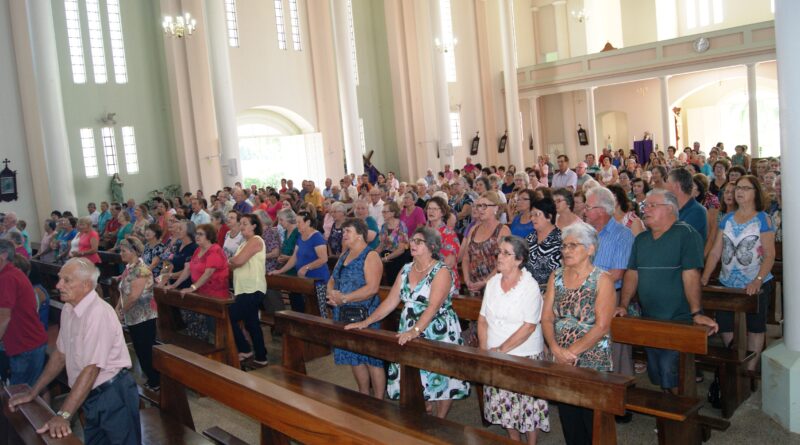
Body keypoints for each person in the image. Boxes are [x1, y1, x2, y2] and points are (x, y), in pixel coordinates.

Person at [10, 258, 139, 443]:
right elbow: (60, 355)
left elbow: (91, 369)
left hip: (113, 395)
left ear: (86, 285)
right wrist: (33, 391)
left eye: (66, 280)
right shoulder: (69, 309)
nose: (58, 284)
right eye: (60, 278)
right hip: (89, 393)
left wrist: (63, 415)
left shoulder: (98, 313)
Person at [346, 227, 470, 418]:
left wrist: (415, 331)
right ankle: (425, 410)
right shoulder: (405, 269)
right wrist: (366, 321)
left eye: (418, 242)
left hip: (438, 329)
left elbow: (433, 307)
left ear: (431, 246)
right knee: (417, 375)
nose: (412, 244)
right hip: (410, 327)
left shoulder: (441, 271)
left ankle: (441, 419)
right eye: (412, 241)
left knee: (442, 377)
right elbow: (390, 301)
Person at [619, 189, 717, 393]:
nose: (645, 209)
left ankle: (682, 421)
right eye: (644, 205)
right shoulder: (642, 239)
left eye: (652, 205)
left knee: (670, 370)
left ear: (670, 209)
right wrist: (623, 305)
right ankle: (667, 419)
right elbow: (632, 274)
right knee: (657, 372)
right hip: (650, 319)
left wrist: (696, 313)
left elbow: (691, 275)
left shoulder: (686, 234)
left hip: (677, 319)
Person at [541, 223, 614, 445]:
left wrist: (570, 353)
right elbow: (546, 318)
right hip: (561, 355)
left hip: (591, 357)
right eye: (564, 245)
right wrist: (555, 349)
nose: (566, 250)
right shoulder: (557, 276)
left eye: (573, 245)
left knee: (592, 419)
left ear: (591, 249)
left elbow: (602, 326)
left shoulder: (602, 279)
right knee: (569, 417)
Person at [479, 236, 549, 443]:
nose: (499, 256)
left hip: (523, 352)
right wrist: (484, 349)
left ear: (519, 260)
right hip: (493, 350)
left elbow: (528, 326)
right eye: (499, 252)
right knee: (503, 401)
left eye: (505, 253)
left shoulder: (530, 286)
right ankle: (513, 439)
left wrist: (501, 349)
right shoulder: (492, 283)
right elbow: (482, 319)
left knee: (527, 403)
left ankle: (531, 442)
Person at [702, 175, 775, 372]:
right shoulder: (726, 219)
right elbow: (716, 251)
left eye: (745, 188)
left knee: (755, 326)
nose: (739, 192)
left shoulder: (762, 218)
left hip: (755, 282)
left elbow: (769, 255)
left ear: (755, 193)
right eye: (737, 188)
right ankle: (734, 357)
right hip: (728, 281)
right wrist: (705, 276)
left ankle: (749, 369)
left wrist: (758, 280)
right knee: (724, 324)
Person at [326, 218, 386, 398]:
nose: (344, 234)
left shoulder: (370, 255)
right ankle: (363, 394)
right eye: (343, 231)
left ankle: (378, 399)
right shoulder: (345, 255)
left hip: (365, 312)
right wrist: (332, 295)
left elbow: (372, 288)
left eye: (348, 231)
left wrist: (345, 298)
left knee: (371, 358)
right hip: (343, 311)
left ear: (360, 235)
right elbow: (332, 279)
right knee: (354, 355)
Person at [166, 223, 230, 340]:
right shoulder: (198, 249)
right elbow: (188, 269)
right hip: (201, 293)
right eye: (196, 234)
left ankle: (220, 351)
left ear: (209, 236)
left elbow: (208, 273)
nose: (197, 236)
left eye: (201, 234)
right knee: (199, 326)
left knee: (213, 329)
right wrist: (175, 285)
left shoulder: (215, 250)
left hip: (214, 296)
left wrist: (192, 287)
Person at [0, 240, 48, 387]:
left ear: (3, 255)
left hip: (25, 344)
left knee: (20, 394)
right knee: (30, 391)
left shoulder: (7, 277)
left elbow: (4, 317)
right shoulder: (9, 274)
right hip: (25, 342)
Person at [115, 237, 160, 391]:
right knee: (139, 349)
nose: (121, 253)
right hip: (133, 316)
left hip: (144, 316)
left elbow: (134, 296)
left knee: (146, 349)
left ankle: (156, 381)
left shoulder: (141, 269)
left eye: (124, 251)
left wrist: (120, 311)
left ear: (133, 251)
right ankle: (151, 378)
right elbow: (123, 292)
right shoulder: (129, 268)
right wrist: (117, 308)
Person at [271, 211, 330, 317]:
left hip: (317, 280)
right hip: (304, 280)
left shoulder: (317, 237)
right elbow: (294, 257)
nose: (296, 225)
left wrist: (306, 267)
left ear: (307, 222)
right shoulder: (301, 236)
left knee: (319, 310)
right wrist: (280, 271)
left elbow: (323, 259)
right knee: (307, 310)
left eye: (299, 222)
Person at [228, 214, 268, 366]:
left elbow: (237, 261)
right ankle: (261, 356)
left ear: (254, 226)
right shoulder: (243, 244)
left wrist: (232, 260)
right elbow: (232, 264)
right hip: (243, 289)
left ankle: (244, 348)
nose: (242, 225)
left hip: (253, 288)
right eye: (241, 223)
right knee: (252, 324)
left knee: (229, 316)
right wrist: (233, 261)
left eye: (245, 223)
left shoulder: (256, 240)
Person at [462, 192, 510, 296]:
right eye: (479, 206)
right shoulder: (473, 229)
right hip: (473, 286)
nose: (480, 209)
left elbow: (504, 262)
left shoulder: (503, 230)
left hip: (495, 287)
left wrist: (485, 282)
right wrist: (467, 280)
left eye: (485, 206)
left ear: (495, 208)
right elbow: (466, 258)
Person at [525, 197, 562, 290]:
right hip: (526, 289)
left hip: (550, 292)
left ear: (549, 217)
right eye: (531, 215)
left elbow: (563, 274)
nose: (532, 218)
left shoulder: (561, 240)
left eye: (536, 214)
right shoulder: (529, 238)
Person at [425, 196, 461, 290]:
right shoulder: (423, 232)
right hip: (424, 279)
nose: (431, 211)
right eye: (429, 208)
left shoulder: (449, 233)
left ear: (442, 212)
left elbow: (449, 263)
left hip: (443, 280)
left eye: (435, 209)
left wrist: (429, 275)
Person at [667, 168, 708, 243]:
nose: (665, 187)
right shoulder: (673, 208)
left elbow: (675, 240)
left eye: (668, 183)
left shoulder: (697, 211)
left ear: (676, 186)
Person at [378, 201, 410, 285]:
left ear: (392, 213)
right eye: (382, 212)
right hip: (386, 257)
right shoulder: (384, 226)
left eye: (385, 212)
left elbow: (401, 250)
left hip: (399, 259)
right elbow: (381, 245)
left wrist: (386, 259)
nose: (383, 214)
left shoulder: (401, 226)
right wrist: (372, 253)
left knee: (396, 283)